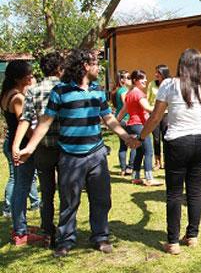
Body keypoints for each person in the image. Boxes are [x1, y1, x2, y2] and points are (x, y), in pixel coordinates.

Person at [15, 49, 137, 257]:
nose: (99, 67)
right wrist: (29, 147)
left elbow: (108, 118)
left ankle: (100, 237)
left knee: (101, 199)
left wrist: (126, 137)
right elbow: (45, 122)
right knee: (69, 201)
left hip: (97, 154)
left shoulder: (98, 90)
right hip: (70, 156)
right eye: (95, 63)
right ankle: (65, 240)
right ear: (84, 66)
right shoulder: (60, 91)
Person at [133, 49, 201, 255]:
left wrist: (140, 137)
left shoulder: (169, 84)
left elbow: (156, 117)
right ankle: (192, 236)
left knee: (175, 193)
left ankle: (173, 242)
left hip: (178, 141)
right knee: (195, 191)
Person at [11, 52, 63, 246]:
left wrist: (17, 145)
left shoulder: (33, 90)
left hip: (42, 149)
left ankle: (48, 231)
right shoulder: (65, 88)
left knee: (47, 193)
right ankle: (65, 232)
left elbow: (25, 119)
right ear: (59, 69)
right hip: (66, 148)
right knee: (66, 192)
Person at [1, 60, 43, 245]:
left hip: (12, 143)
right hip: (21, 146)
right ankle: (20, 232)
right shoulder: (17, 97)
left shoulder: (7, 93)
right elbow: (24, 124)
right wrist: (37, 140)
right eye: (29, 74)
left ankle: (20, 226)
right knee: (22, 187)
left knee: (20, 184)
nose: (31, 76)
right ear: (20, 77)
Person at [117, 70, 161, 186]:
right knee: (149, 151)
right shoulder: (138, 93)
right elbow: (148, 108)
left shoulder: (130, 94)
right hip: (140, 125)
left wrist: (116, 123)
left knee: (139, 151)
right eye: (143, 79)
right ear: (135, 81)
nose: (145, 80)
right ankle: (149, 178)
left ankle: (136, 177)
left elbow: (123, 111)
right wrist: (163, 107)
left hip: (131, 125)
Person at [111, 70, 135, 176]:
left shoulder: (118, 90)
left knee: (122, 146)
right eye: (128, 78)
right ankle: (130, 167)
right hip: (126, 120)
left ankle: (123, 169)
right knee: (133, 144)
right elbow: (127, 106)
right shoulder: (124, 91)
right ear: (122, 80)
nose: (130, 80)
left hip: (120, 120)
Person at [146, 64, 170, 170]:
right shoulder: (152, 84)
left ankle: (166, 161)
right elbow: (147, 99)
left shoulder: (169, 84)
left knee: (166, 138)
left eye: (158, 73)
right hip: (154, 113)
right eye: (156, 72)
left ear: (164, 74)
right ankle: (157, 161)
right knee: (156, 139)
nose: (156, 74)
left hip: (166, 114)